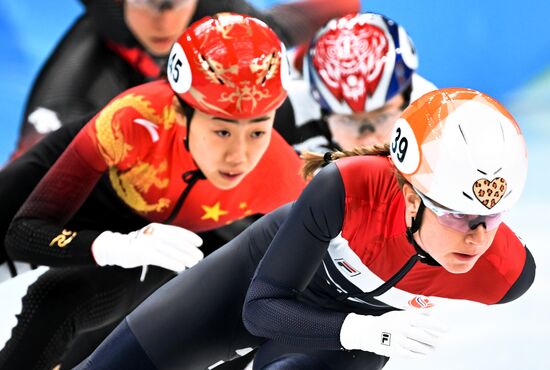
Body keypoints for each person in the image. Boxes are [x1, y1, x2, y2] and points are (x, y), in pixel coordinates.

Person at [75, 87, 535, 370]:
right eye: (457, 214)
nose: (478, 237)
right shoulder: (348, 187)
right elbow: (260, 309)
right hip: (270, 283)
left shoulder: (505, 273)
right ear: (411, 196)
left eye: (492, 218)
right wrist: (365, 333)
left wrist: (364, 336)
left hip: (353, 336)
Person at [0, 13, 307, 370]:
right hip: (92, 190)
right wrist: (115, 245)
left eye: (258, 132)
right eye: (222, 132)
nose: (239, 157)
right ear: (180, 112)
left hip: (166, 237)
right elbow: (22, 232)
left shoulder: (284, 175)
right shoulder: (131, 120)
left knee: (56, 303)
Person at [12, 0, 360, 159]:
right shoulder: (77, 78)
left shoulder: (225, 17)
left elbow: (337, 7)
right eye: (148, 3)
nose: (162, 22)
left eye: (174, 4)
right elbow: (24, 175)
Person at [283, 12, 436, 154]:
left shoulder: (430, 117)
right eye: (348, 119)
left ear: (408, 97)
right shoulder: (286, 114)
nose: (368, 143)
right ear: (323, 112)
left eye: (382, 117)